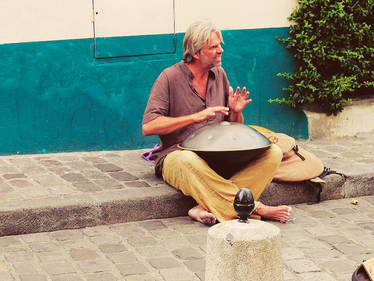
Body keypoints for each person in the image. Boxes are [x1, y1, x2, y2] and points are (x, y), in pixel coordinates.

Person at [142, 19, 292, 225]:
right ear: (196, 53)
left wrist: (236, 112)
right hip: (177, 156)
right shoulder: (169, 77)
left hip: (220, 157)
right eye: (214, 46)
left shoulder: (219, 75)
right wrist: (196, 116)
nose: (221, 50)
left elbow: (233, 127)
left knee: (273, 153)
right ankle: (256, 208)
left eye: (220, 45)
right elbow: (148, 126)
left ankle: (202, 207)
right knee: (187, 160)